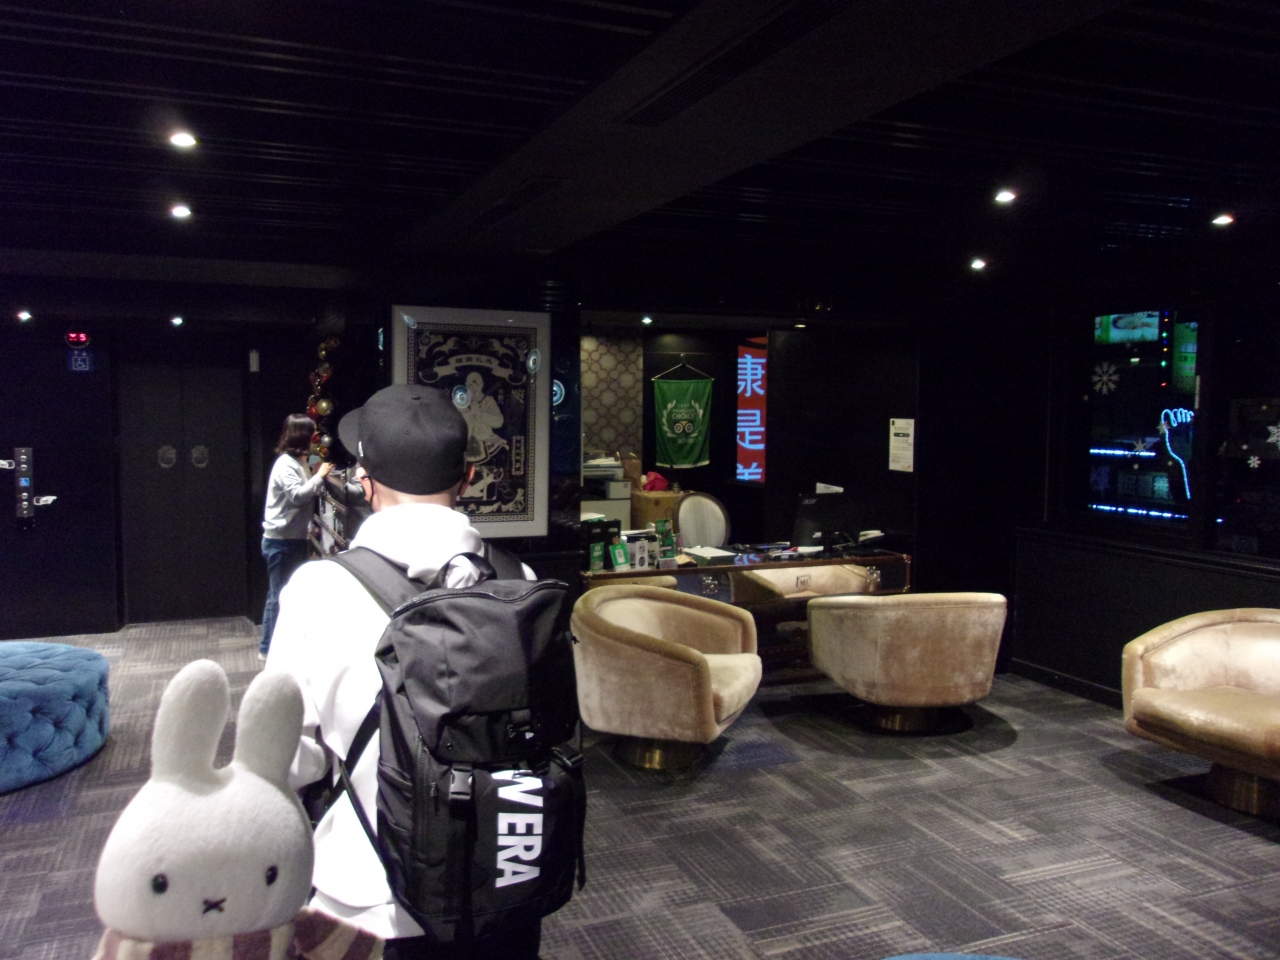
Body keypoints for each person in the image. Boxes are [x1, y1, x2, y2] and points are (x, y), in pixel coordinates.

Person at [265, 384, 539, 960]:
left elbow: (288, 762)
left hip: (368, 901)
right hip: (505, 888)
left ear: (364, 482)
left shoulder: (317, 590)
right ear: (467, 478)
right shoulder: (523, 581)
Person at [260, 413, 332, 660]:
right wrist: (319, 476)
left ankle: (281, 647)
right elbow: (298, 496)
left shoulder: (298, 462)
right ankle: (267, 650)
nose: (316, 437)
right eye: (313, 433)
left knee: (287, 594)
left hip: (292, 538)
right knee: (277, 595)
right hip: (281, 541)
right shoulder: (286, 464)